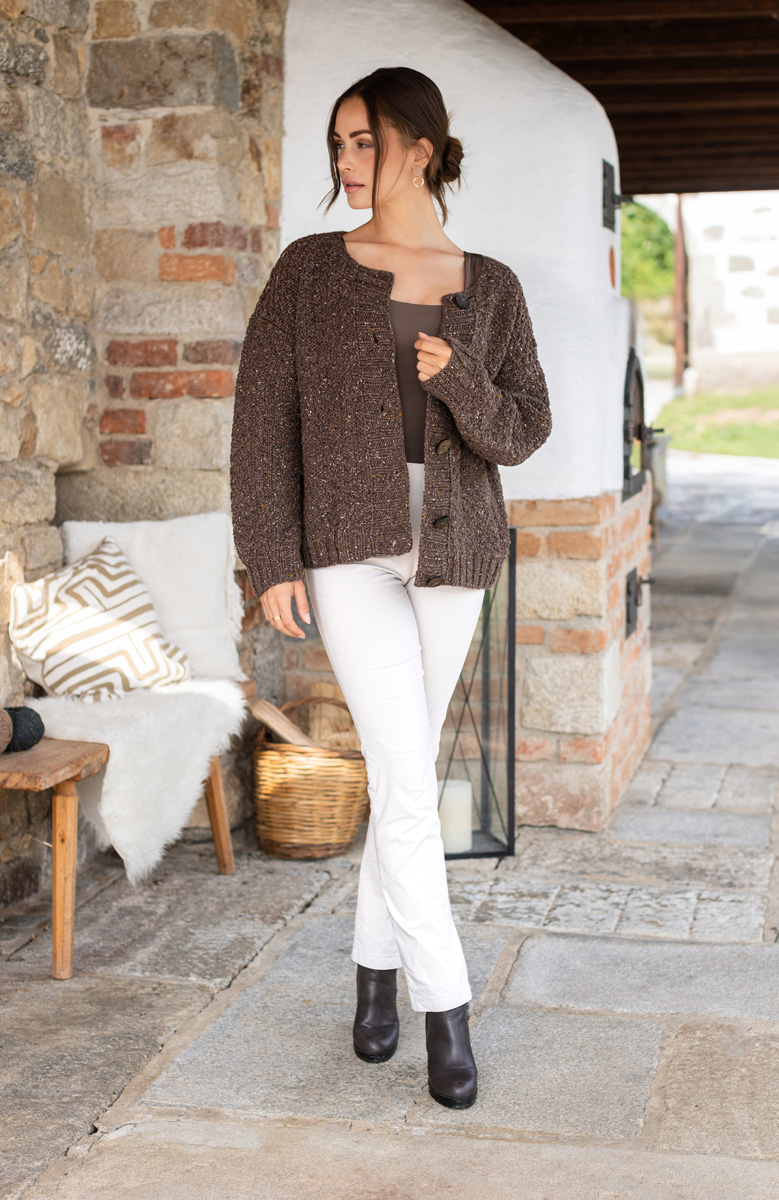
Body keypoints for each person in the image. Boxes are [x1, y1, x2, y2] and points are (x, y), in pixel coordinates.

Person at [230, 65, 551, 1110]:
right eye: (337, 144)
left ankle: (373, 973)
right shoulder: (308, 271)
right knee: (409, 782)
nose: (345, 161)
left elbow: (523, 429)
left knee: (403, 773)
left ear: (419, 147)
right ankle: (445, 1013)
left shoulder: (490, 285)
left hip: (455, 551)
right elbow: (261, 423)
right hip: (346, 546)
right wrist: (270, 557)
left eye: (362, 141)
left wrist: (457, 378)